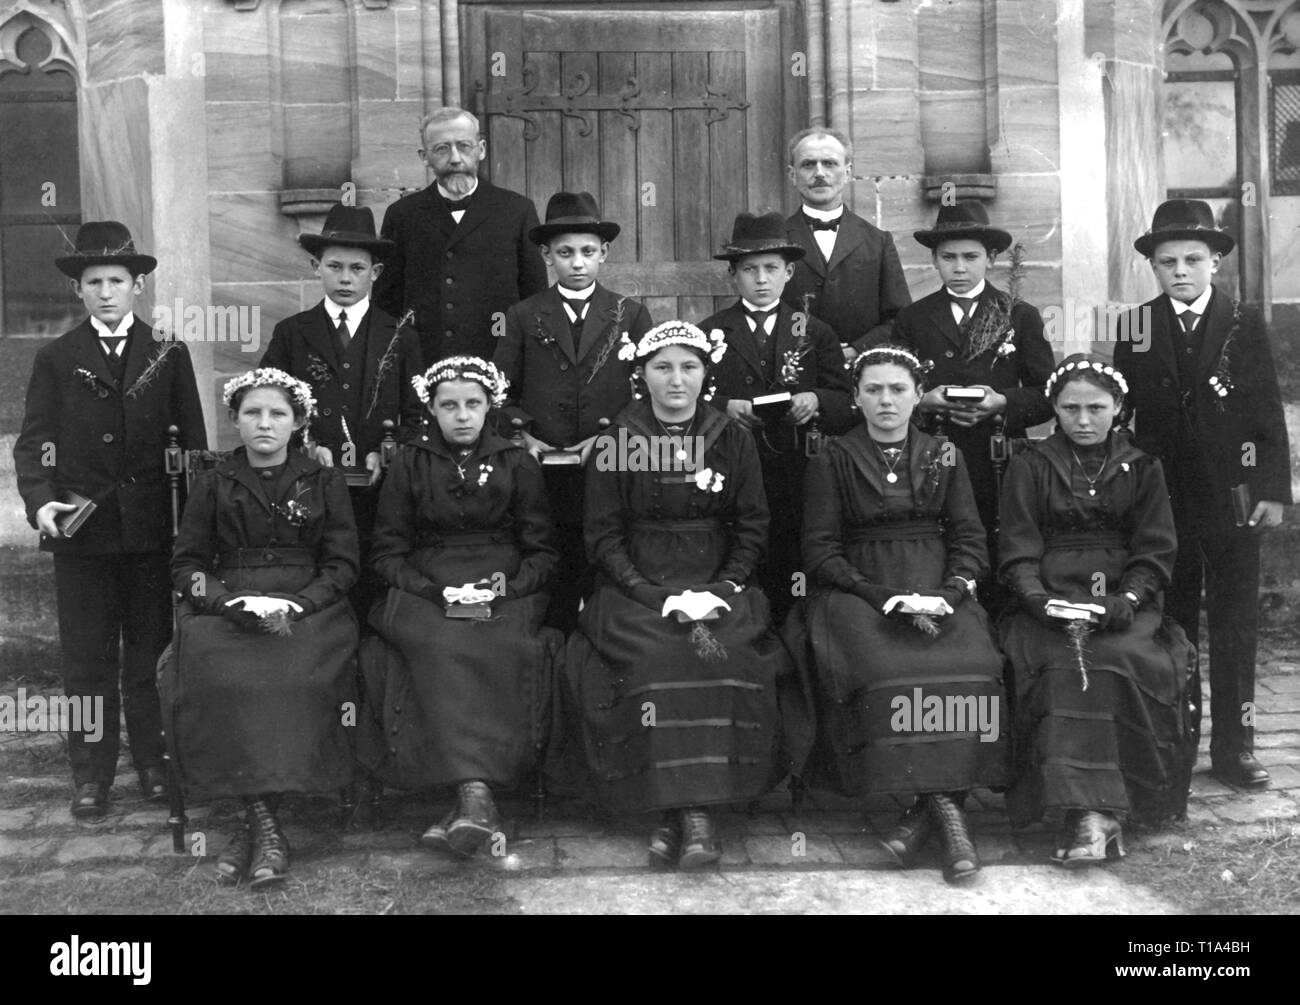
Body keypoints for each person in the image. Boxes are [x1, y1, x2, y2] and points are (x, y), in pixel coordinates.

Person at [556, 321, 791, 870]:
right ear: (642, 376)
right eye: (663, 367)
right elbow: (603, 534)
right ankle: (679, 810)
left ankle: (691, 813)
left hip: (718, 580)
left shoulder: (731, 437)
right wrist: (645, 591)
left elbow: (753, 523)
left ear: (706, 374)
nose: (676, 380)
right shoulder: (620, 439)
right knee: (656, 659)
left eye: (688, 367)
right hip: (637, 587)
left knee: (723, 655)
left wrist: (728, 586)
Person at [783, 344, 1007, 884]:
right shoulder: (831, 457)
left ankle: (926, 815)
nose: (887, 400)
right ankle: (948, 816)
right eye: (874, 390)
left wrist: (952, 593)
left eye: (898, 389)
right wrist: (879, 595)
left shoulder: (944, 453)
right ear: (856, 397)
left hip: (936, 588)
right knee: (887, 668)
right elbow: (819, 551)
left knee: (975, 662)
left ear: (916, 395)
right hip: (857, 594)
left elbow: (971, 538)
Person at [13, 221, 207, 820]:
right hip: (83, 535)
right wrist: (42, 501)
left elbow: (195, 447)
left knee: (150, 654)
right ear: (79, 291)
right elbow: (34, 443)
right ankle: (91, 775)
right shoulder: (56, 357)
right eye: (93, 281)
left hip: (152, 535)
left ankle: (154, 763)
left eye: (116, 280)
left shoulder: (169, 353)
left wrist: (194, 530)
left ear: (138, 285)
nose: (104, 291)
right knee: (87, 658)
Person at [1115, 200, 1292, 790]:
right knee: (1174, 618)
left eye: (1194, 259)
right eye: (1168, 262)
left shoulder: (1242, 321)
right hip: (1167, 498)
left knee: (1236, 619)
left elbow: (1267, 409)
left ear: (1215, 261)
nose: (1181, 271)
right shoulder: (1136, 326)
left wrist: (1273, 489)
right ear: (1155, 268)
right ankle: (1178, 736)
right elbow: (1125, 415)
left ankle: (1235, 746)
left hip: (1235, 494)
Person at [998, 354, 1197, 866]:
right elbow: (1018, 551)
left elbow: (1155, 552)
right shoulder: (1030, 464)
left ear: (1118, 408)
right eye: (1069, 409)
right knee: (1061, 662)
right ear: (1054, 410)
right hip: (1048, 603)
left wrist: (1126, 601)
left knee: (1115, 660)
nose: (1082, 420)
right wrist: (1041, 603)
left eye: (1095, 408)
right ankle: (1081, 809)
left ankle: (1101, 811)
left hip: (1123, 606)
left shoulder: (1144, 467)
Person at [358, 356, 561, 857]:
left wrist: (508, 590)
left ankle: (468, 800)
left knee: (500, 638)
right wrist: (430, 591)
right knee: (439, 639)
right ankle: (475, 796)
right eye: (449, 405)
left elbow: (543, 550)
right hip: (428, 583)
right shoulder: (410, 461)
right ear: (431, 408)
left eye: (473, 404)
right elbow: (386, 552)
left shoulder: (516, 460)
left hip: (502, 583)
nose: (463, 416)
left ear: (491, 405)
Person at [164, 368, 359, 887]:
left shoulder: (323, 480)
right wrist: (227, 604)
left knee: (297, 673)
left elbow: (342, 565)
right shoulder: (214, 482)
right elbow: (186, 566)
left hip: (307, 608)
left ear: (297, 422)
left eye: (277, 414)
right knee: (217, 669)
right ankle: (264, 825)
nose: (265, 424)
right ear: (235, 421)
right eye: (252, 413)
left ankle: (254, 824)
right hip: (230, 606)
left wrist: (301, 604)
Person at [493, 191, 653, 631]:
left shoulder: (631, 314)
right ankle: (555, 636)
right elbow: (498, 391)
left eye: (587, 252)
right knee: (553, 551)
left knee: (605, 551)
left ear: (604, 253)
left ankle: (604, 637)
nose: (577, 263)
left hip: (609, 461)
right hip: (543, 463)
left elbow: (645, 394)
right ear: (546, 256)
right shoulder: (524, 315)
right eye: (565, 253)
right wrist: (523, 435)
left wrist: (609, 438)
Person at [260, 203, 423, 626]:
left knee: (376, 574)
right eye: (334, 266)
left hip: (380, 488)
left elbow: (418, 411)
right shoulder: (292, 333)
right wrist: (304, 446)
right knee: (323, 575)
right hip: (310, 486)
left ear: (376, 272)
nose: (346, 278)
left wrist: (388, 450)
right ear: (317, 267)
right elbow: (266, 407)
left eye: (357, 268)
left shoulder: (400, 333)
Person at [892, 200, 1055, 609]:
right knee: (943, 546)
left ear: (992, 258)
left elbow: (1047, 393)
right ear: (934, 259)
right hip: (934, 454)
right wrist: (923, 400)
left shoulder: (1019, 315)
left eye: (971, 257)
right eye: (949, 258)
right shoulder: (913, 319)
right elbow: (893, 388)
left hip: (998, 459)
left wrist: (1003, 402)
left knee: (998, 546)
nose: (959, 268)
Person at [703, 211, 852, 623]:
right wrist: (724, 408)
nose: (762, 279)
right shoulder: (712, 332)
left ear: (789, 272)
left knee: (795, 552)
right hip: (736, 467)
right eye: (750, 269)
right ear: (733, 275)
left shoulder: (815, 331)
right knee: (744, 550)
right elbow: (692, 403)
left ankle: (796, 628)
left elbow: (846, 400)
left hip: (799, 468)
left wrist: (815, 398)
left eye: (771, 268)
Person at [374, 107, 549, 365]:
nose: (455, 159)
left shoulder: (517, 210)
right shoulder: (402, 215)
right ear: (424, 157)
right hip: (424, 365)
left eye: (464, 146)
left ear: (482, 149)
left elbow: (534, 297)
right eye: (442, 149)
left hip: (499, 362)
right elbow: (386, 305)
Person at [782, 127, 912, 359]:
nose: (819, 173)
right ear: (793, 175)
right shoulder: (778, 240)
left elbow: (899, 319)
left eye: (830, 164)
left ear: (848, 172)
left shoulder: (878, 241)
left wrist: (856, 350)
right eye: (808, 164)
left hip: (860, 372)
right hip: (795, 370)